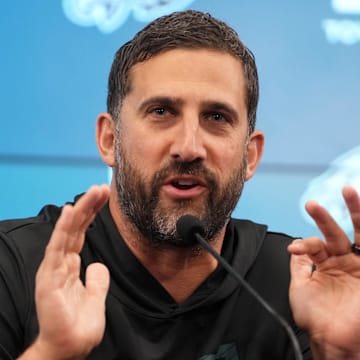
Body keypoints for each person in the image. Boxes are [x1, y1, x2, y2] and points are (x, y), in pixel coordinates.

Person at [1, 9, 360, 360]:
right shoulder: (14, 268)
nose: (189, 147)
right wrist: (51, 353)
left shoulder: (297, 284)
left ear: (250, 156)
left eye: (216, 117)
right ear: (110, 140)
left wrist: (343, 353)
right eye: (161, 112)